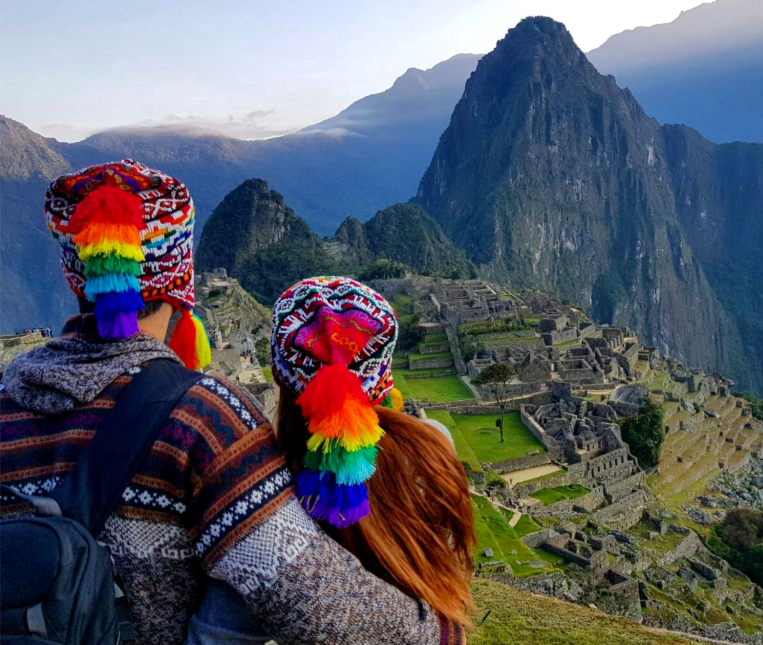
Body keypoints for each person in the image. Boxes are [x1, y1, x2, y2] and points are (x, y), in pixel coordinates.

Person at [0, 160, 463, 644]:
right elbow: (313, 601)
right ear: (179, 284)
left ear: (78, 277)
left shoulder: (6, 402)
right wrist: (440, 633)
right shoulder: (199, 418)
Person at [187, 276, 475, 644]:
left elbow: (216, 634)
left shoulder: (265, 500)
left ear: (281, 376)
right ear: (381, 374)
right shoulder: (435, 448)